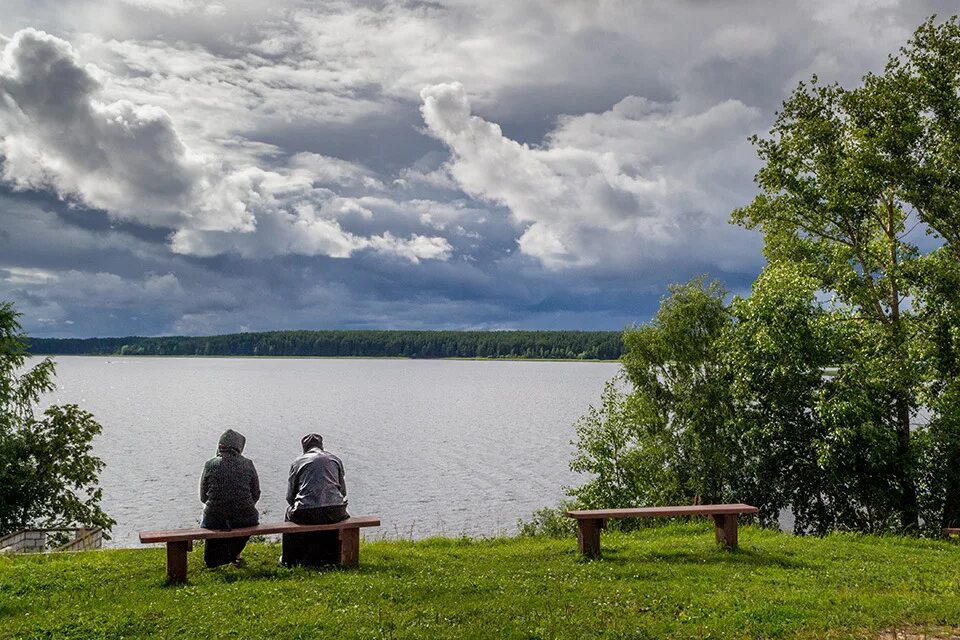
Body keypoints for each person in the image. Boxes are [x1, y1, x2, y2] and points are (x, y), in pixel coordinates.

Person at [280, 433, 349, 566]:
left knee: (289, 514)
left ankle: (289, 559)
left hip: (307, 513)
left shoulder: (297, 462)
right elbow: (343, 491)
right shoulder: (335, 459)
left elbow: (290, 496)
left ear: (304, 448)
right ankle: (330, 557)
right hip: (335, 512)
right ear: (321, 446)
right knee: (335, 514)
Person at [199, 429, 260, 568]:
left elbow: (203, 497)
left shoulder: (210, 464)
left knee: (209, 512)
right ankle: (234, 554)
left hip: (215, 519)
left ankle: (213, 559)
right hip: (246, 518)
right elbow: (255, 493)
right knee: (243, 519)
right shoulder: (248, 464)